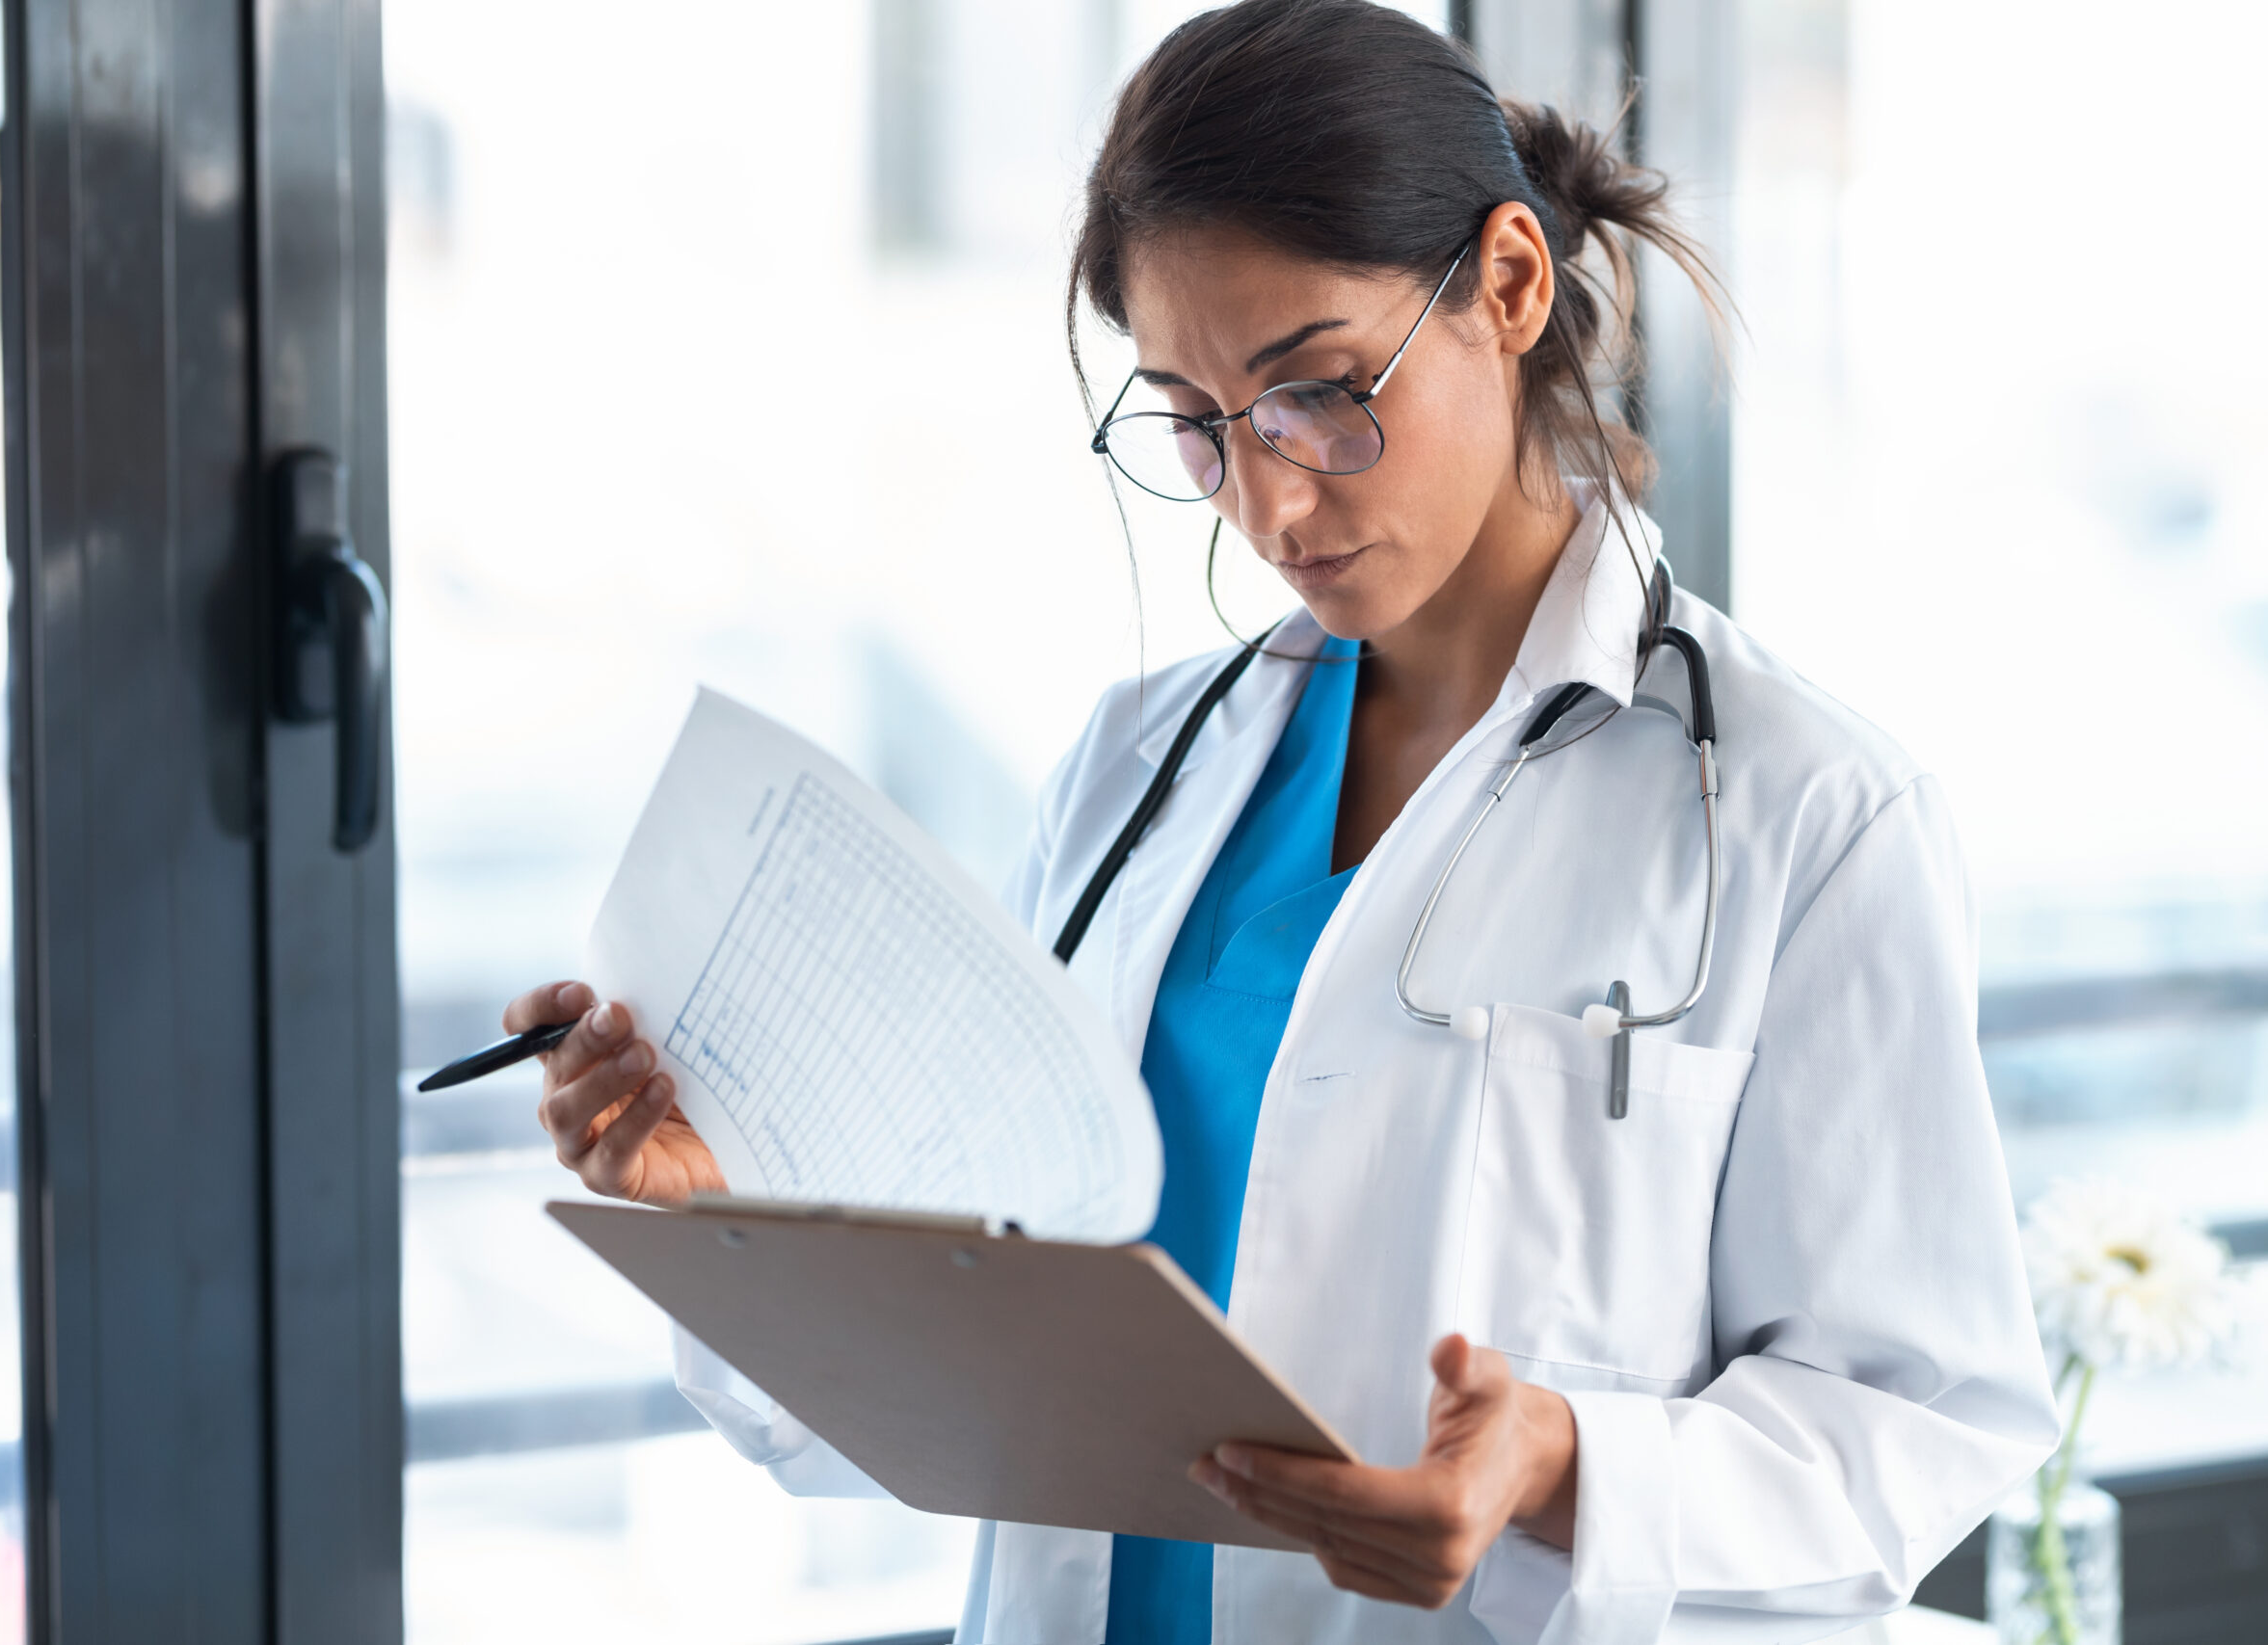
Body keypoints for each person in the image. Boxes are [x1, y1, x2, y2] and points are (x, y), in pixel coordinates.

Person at [509, 1, 2059, 1638]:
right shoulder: (1137, 767)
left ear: (1511, 287)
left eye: (1317, 390)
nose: (1268, 500)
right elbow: (989, 1357)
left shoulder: (1808, 817)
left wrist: (1560, 1464)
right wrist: (740, 1227)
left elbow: (1918, 1423)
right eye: (1195, 419)